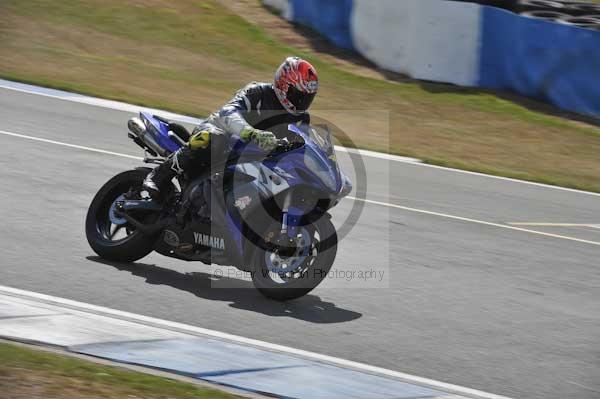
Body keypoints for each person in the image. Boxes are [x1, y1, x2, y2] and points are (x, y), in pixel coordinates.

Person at [143, 56, 319, 198]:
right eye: (298, 95)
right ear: (283, 85)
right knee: (212, 138)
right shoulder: (257, 92)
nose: (301, 102)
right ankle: (159, 175)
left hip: (254, 158)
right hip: (221, 134)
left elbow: (302, 147)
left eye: (307, 98)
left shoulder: (301, 118)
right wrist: (250, 132)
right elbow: (227, 112)